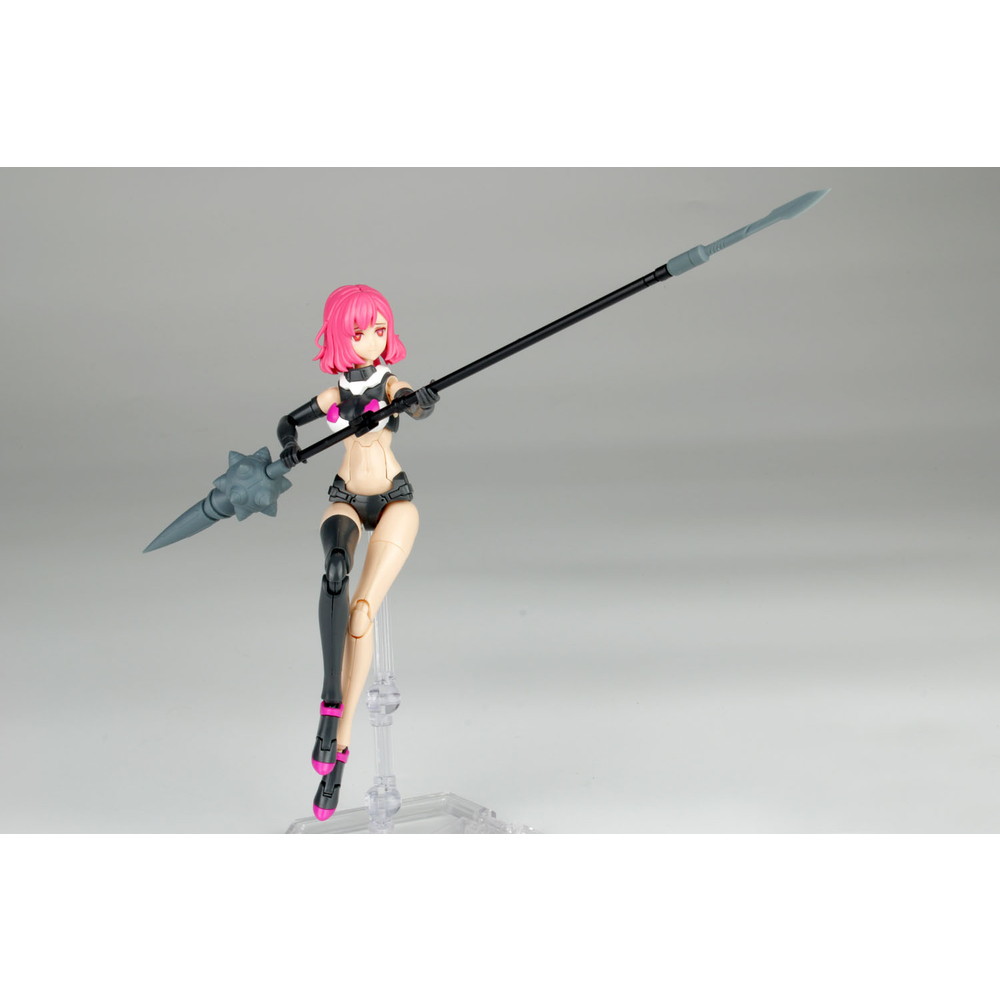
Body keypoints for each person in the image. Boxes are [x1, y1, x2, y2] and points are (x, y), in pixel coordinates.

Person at [276, 285, 437, 820]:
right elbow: (286, 422)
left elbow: (415, 403)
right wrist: (290, 447)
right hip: (345, 496)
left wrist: (418, 401)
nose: (371, 340)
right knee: (335, 571)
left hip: (393, 499)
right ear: (340, 337)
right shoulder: (335, 393)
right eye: (360, 331)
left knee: (362, 614)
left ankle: (337, 744)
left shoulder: (388, 383)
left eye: (379, 330)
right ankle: (330, 695)